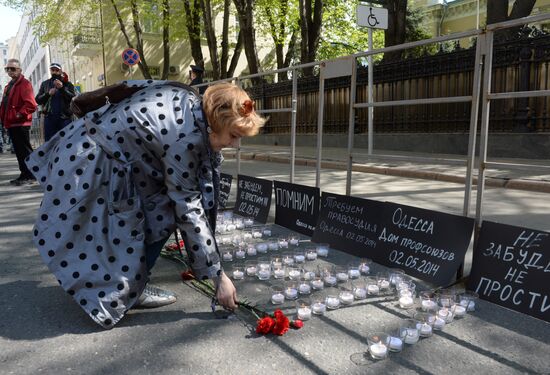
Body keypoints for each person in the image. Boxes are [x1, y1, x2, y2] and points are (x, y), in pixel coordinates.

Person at [26, 80, 265, 329]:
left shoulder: (188, 99)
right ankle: (127, 288)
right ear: (215, 121)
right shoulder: (185, 137)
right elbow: (188, 206)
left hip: (87, 147)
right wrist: (218, 277)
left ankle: (122, 281)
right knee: (159, 214)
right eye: (234, 136)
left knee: (147, 210)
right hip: (97, 165)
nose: (236, 145)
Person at [0, 58, 38, 185]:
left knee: (25, 151)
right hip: (12, 123)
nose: (10, 71)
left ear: (20, 70)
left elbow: (31, 105)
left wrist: (17, 114)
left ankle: (31, 175)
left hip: (20, 123)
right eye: (7, 69)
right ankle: (24, 174)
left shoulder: (24, 84)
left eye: (13, 68)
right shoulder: (9, 86)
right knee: (19, 151)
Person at [35, 62, 76, 141]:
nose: (54, 72)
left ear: (60, 71)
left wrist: (62, 88)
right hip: (49, 118)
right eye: (52, 70)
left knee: (66, 141)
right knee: (50, 142)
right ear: (50, 71)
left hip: (64, 118)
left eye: (56, 70)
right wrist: (47, 94)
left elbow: (72, 98)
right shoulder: (45, 84)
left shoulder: (67, 84)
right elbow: (37, 100)